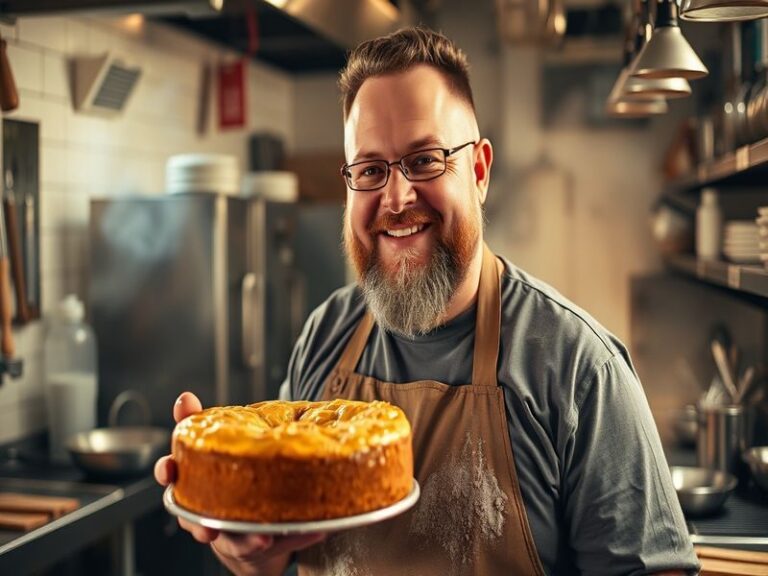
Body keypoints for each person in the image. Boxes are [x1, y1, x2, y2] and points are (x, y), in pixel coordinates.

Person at [155, 27, 700, 576]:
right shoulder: (325, 336)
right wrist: (250, 551)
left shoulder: (578, 368)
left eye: (425, 160)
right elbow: (280, 555)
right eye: (369, 171)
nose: (396, 199)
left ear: (480, 171)